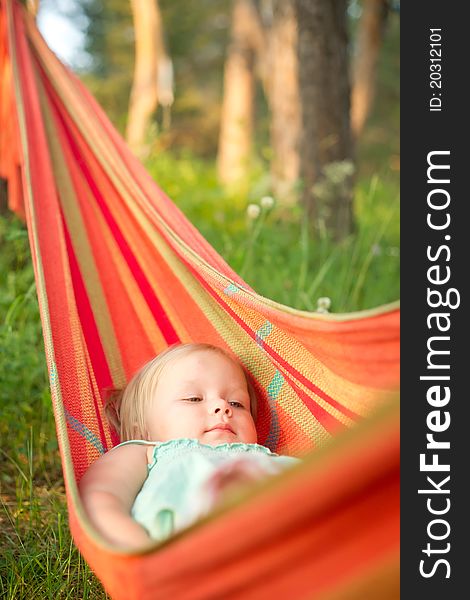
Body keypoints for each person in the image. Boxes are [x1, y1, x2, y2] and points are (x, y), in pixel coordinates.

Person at [79, 343, 299, 549]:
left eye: (237, 403)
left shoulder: (268, 457)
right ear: (142, 428)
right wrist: (138, 552)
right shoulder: (147, 452)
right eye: (194, 398)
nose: (222, 406)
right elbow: (99, 497)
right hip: (192, 556)